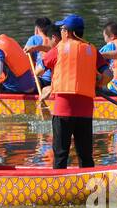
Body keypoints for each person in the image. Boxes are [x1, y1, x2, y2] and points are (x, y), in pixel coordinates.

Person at [37, 17, 106, 169]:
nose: (61, 32)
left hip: (63, 109)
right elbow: (109, 74)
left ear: (68, 33)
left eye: (62, 29)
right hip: (85, 110)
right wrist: (98, 84)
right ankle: (89, 185)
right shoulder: (92, 49)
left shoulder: (58, 49)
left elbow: (39, 70)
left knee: (61, 154)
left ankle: (58, 185)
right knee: (85, 155)